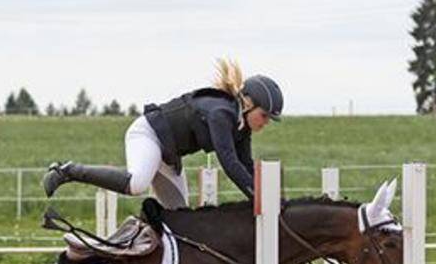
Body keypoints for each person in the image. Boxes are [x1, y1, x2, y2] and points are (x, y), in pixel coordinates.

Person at [42, 59, 283, 207]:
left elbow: (246, 165)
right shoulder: (222, 113)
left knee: (179, 220)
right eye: (264, 115)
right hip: (147, 135)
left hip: (168, 156)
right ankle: (68, 171)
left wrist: (270, 197)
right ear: (248, 102)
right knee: (137, 184)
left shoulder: (241, 127)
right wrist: (258, 196)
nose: (265, 123)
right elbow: (229, 163)